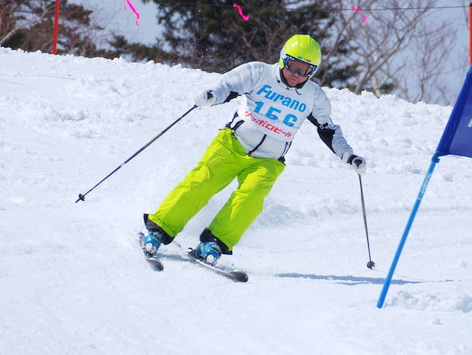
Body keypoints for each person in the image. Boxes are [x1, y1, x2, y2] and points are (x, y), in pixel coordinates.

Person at [140, 34, 367, 265]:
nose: (297, 75)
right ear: (282, 60)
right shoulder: (259, 73)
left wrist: (349, 156)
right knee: (200, 184)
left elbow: (328, 130)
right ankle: (160, 229)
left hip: (268, 161)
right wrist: (211, 96)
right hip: (232, 145)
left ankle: (215, 242)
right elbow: (228, 87)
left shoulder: (314, 96)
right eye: (293, 66)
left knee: (250, 200)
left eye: (305, 71)